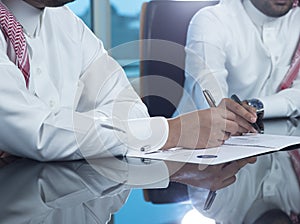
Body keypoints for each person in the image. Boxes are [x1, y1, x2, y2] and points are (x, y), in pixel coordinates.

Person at [179, 0, 300, 119]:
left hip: (273, 134)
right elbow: (214, 105)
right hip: (197, 135)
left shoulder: (296, 20)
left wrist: (255, 107)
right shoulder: (211, 20)